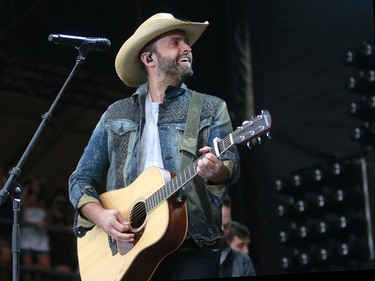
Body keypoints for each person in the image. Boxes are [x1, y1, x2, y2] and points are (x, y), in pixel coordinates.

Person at [68, 12, 240, 281]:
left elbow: (230, 164)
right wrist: (100, 216)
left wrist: (216, 170)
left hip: (192, 245)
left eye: (187, 43)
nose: (187, 48)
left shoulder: (210, 107)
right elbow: (80, 179)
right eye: (175, 42)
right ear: (149, 59)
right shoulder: (116, 114)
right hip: (130, 248)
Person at [20, 177, 52, 281]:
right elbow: (20, 219)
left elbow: (49, 219)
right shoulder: (23, 201)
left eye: (38, 185)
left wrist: (44, 224)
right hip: (27, 239)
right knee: (28, 270)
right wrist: (34, 224)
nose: (36, 188)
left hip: (41, 239)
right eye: (34, 185)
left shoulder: (44, 203)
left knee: (45, 270)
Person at [220, 194, 256, 277]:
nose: (222, 231)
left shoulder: (243, 260)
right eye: (217, 224)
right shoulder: (191, 259)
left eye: (226, 226)